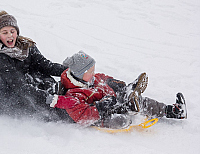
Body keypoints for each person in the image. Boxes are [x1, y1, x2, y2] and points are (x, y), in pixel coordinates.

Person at [46, 51, 187, 129]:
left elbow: (103, 77)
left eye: (93, 69)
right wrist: (100, 107)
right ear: (79, 74)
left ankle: (173, 111)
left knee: (141, 101)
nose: (94, 73)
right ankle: (132, 112)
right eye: (90, 71)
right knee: (121, 120)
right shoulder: (73, 94)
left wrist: (115, 83)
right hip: (101, 114)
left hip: (111, 99)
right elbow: (82, 116)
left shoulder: (91, 78)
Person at [0, 11, 72, 121]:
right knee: (50, 106)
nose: (10, 35)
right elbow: (18, 84)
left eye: (12, 31)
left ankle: (79, 100)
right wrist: (48, 99)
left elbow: (45, 65)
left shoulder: (26, 46)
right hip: (12, 95)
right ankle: (73, 115)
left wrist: (70, 71)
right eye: (5, 32)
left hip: (30, 85)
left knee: (52, 84)